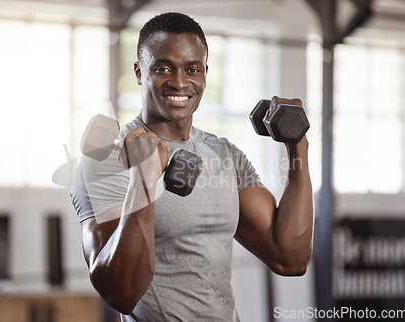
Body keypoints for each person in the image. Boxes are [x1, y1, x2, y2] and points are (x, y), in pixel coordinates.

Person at [71, 12, 313, 321]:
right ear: (138, 72)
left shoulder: (225, 154)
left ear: (205, 74)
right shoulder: (106, 159)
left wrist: (299, 147)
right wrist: (143, 182)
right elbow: (121, 293)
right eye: (163, 68)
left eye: (192, 69)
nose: (180, 82)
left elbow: (289, 258)